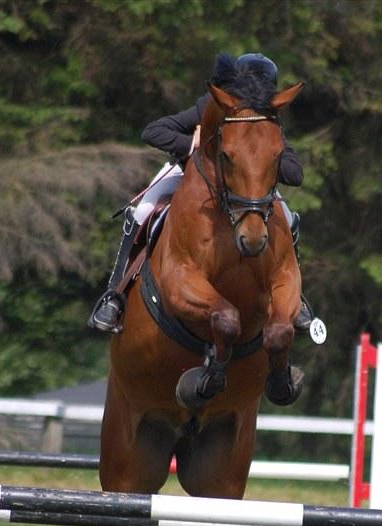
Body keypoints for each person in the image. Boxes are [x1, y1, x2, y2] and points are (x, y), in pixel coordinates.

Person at [89, 53, 317, 337]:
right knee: (143, 210)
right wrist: (190, 144)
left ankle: (298, 299)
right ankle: (114, 296)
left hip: (245, 187)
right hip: (188, 174)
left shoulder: (267, 120)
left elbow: (295, 173)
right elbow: (153, 131)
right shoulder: (212, 105)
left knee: (289, 219)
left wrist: (257, 158)